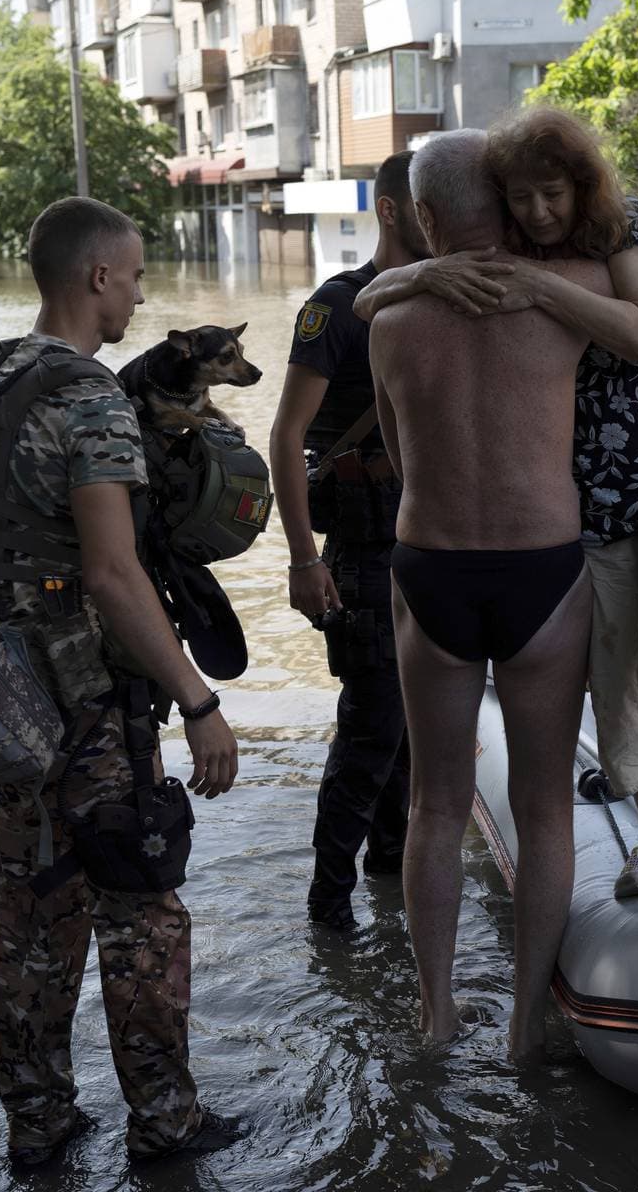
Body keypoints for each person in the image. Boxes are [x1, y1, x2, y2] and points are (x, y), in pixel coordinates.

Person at [358, 106, 638, 905]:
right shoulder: (483, 270)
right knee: (612, 686)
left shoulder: (613, 239)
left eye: (552, 194)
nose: (538, 212)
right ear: (498, 204)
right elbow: (372, 298)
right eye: (521, 199)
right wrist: (423, 274)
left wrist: (556, 295)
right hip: (597, 502)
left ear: (582, 187)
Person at [0, 197, 241, 1165]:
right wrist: (198, 698)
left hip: (4, 701)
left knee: (31, 911)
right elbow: (114, 575)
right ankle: (166, 1121)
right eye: (138, 274)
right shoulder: (91, 400)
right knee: (140, 902)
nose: (144, 292)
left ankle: (38, 1124)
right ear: (98, 279)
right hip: (86, 704)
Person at [368, 128, 614, 1061]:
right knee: (547, 809)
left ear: (425, 217)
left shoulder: (388, 320)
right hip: (541, 569)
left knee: (436, 804)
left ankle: (435, 1025)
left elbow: (400, 458)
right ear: (510, 206)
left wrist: (407, 280)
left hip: (431, 566)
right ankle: (523, 1030)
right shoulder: (567, 298)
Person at [269, 152, 423, 934]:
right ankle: (329, 912)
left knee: (407, 744)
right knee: (372, 734)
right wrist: (301, 561)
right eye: (434, 206)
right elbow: (286, 434)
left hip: (428, 552)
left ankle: (389, 885)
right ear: (393, 211)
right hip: (363, 557)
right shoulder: (337, 308)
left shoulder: (443, 298)